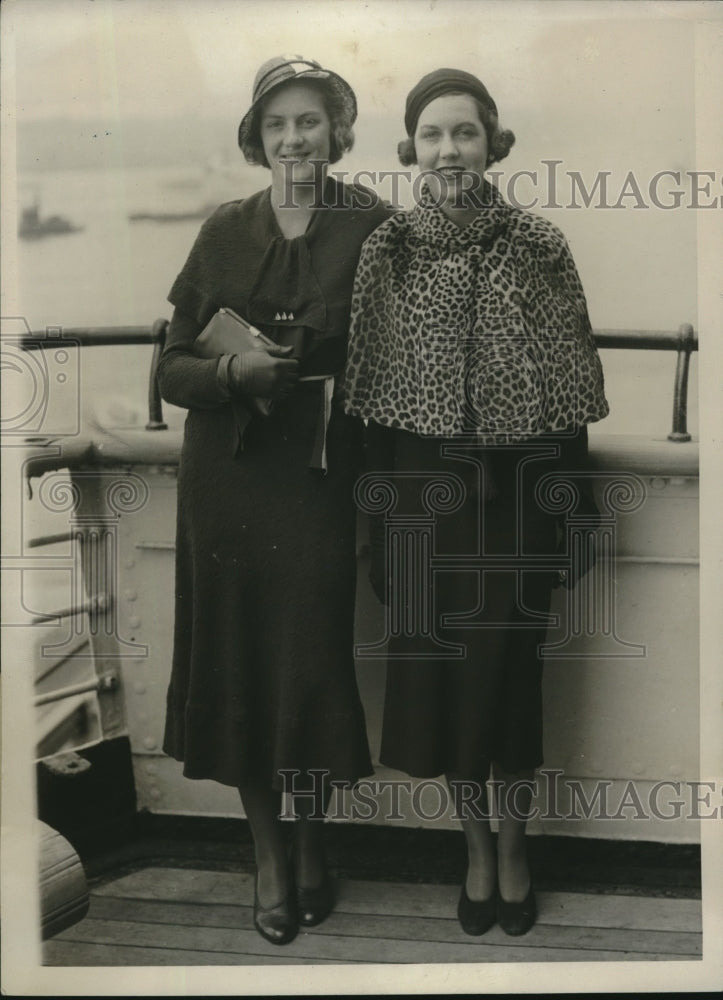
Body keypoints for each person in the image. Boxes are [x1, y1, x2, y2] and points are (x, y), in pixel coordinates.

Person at [342, 68, 609, 937]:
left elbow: (568, 398)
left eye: (464, 132)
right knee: (442, 688)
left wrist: (571, 520)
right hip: (423, 500)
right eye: (431, 135)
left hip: (517, 498)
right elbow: (375, 406)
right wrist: (380, 530)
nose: (448, 149)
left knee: (509, 684)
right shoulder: (389, 251)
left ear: (494, 144)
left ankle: (515, 847)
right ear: (409, 151)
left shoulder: (537, 244)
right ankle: (472, 851)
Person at [157, 55, 390, 946]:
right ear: (257, 139)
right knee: (241, 667)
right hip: (229, 484)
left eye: (311, 121)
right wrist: (230, 371)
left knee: (310, 666)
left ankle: (311, 844)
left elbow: (404, 355)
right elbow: (171, 368)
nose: (295, 138)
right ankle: (266, 856)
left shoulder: (373, 225)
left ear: (336, 132)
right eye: (279, 124)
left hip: (322, 485)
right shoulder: (222, 231)